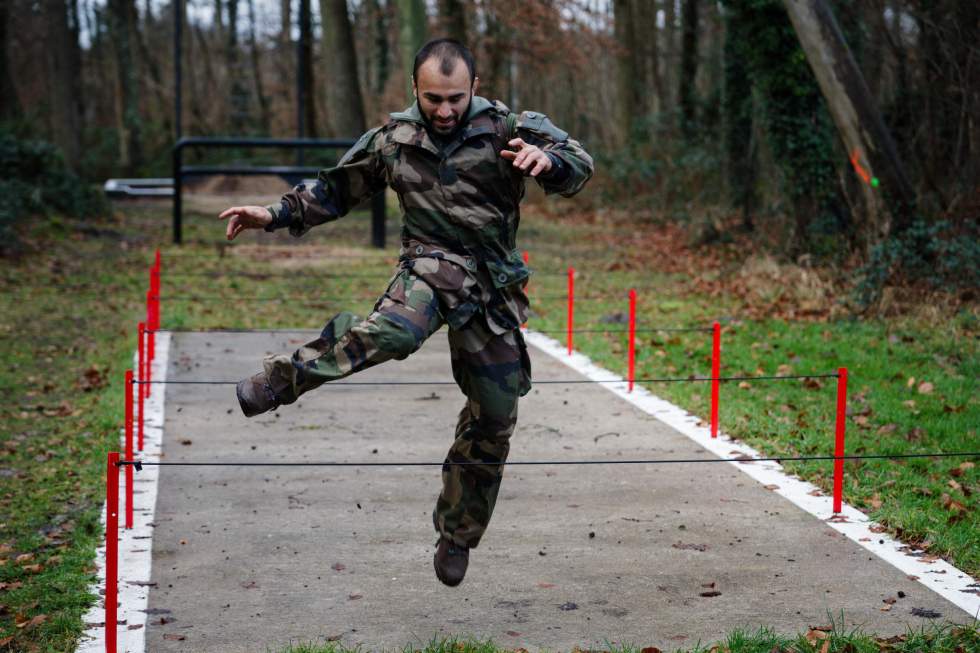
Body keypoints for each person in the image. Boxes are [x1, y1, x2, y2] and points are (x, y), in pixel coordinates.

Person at [218, 38, 593, 587]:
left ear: (476, 88)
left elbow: (580, 165)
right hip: (428, 269)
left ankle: (457, 533)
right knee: (392, 333)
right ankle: (283, 377)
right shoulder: (394, 139)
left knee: (495, 416)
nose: (444, 111)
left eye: (456, 99)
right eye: (433, 99)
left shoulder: (510, 127)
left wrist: (550, 161)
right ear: (415, 91)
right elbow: (334, 190)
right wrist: (273, 214)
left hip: (489, 287)